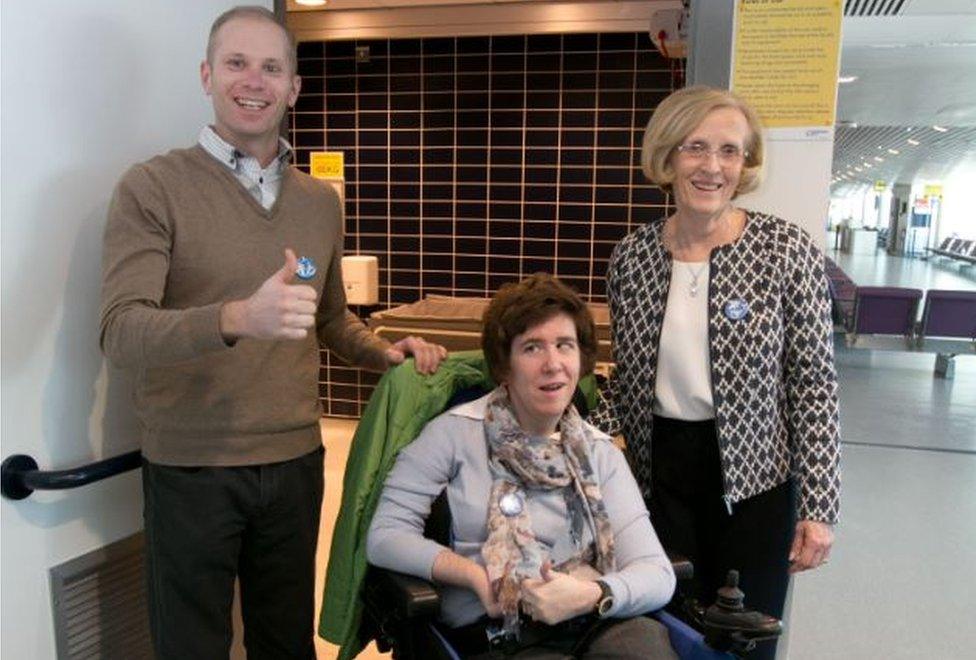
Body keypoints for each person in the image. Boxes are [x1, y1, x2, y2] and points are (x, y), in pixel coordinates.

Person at [98, 7, 445, 659]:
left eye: (271, 67)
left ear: (294, 86)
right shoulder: (153, 189)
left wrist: (385, 351)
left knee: (285, 642)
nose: (252, 81)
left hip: (293, 463)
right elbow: (121, 331)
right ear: (207, 75)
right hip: (192, 466)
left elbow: (329, 317)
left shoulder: (318, 202)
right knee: (191, 644)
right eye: (236, 63)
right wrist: (234, 318)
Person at [592, 85, 841, 659]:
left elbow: (815, 384)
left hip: (756, 483)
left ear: (745, 163)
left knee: (745, 637)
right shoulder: (632, 257)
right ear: (667, 156)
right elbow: (626, 377)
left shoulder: (785, 250)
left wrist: (820, 508)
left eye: (729, 151)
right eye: (695, 147)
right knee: (668, 629)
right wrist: (581, 448)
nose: (712, 166)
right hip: (659, 478)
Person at [367, 274, 678, 659]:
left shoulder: (601, 454)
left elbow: (657, 573)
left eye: (564, 345)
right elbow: (385, 536)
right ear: (504, 365)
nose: (553, 364)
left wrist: (591, 594)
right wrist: (475, 577)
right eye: (532, 348)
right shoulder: (451, 435)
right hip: (498, 631)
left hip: (592, 618)